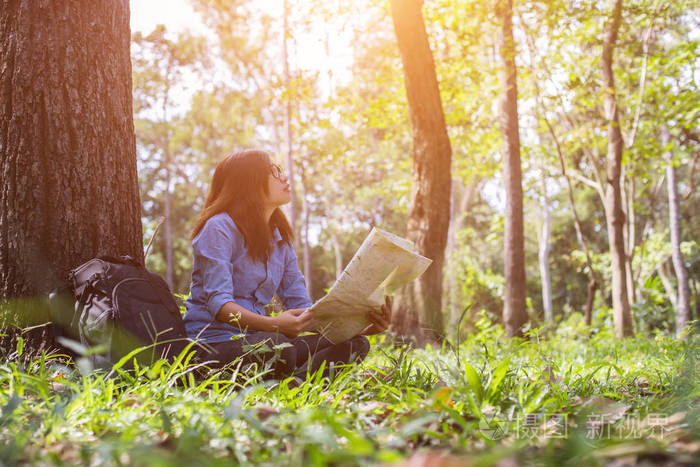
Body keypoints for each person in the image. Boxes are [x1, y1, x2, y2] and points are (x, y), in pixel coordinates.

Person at [183, 149, 392, 380]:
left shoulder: (280, 238)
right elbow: (220, 306)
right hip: (212, 347)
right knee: (276, 346)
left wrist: (362, 327)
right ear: (248, 182)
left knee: (355, 344)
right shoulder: (218, 227)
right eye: (273, 171)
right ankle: (295, 380)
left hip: (263, 342)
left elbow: (306, 311)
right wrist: (274, 325)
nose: (284, 177)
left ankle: (292, 383)